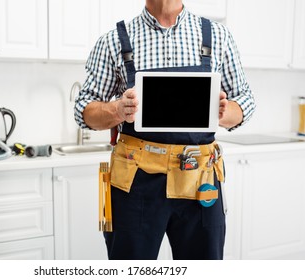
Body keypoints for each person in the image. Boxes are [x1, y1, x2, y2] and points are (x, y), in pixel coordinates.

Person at [75, 0, 255, 260]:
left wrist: (224, 112)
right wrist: (117, 110)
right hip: (134, 181)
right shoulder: (114, 40)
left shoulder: (218, 36)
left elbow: (245, 100)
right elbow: (84, 110)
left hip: (200, 178)